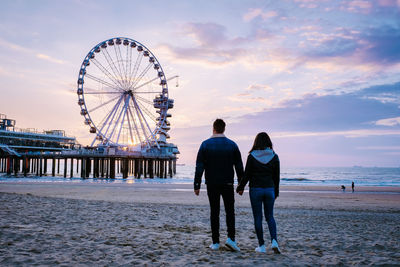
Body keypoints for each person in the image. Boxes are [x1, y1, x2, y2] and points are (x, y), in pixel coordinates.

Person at [194, 119, 244, 251]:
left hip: (212, 183)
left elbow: (200, 166)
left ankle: (215, 242)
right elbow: (239, 166)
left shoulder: (205, 145)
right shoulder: (232, 145)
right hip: (227, 183)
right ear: (224, 129)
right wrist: (241, 185)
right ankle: (231, 239)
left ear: (213, 128)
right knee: (230, 212)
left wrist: (197, 184)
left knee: (214, 212)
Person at [236, 132, 281, 254]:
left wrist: (240, 187)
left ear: (256, 142)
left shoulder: (252, 156)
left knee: (258, 217)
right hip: (269, 189)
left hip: (256, 189)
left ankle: (261, 246)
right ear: (268, 142)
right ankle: (274, 241)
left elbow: (247, 175)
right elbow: (276, 177)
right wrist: (276, 192)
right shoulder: (274, 156)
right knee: (270, 216)